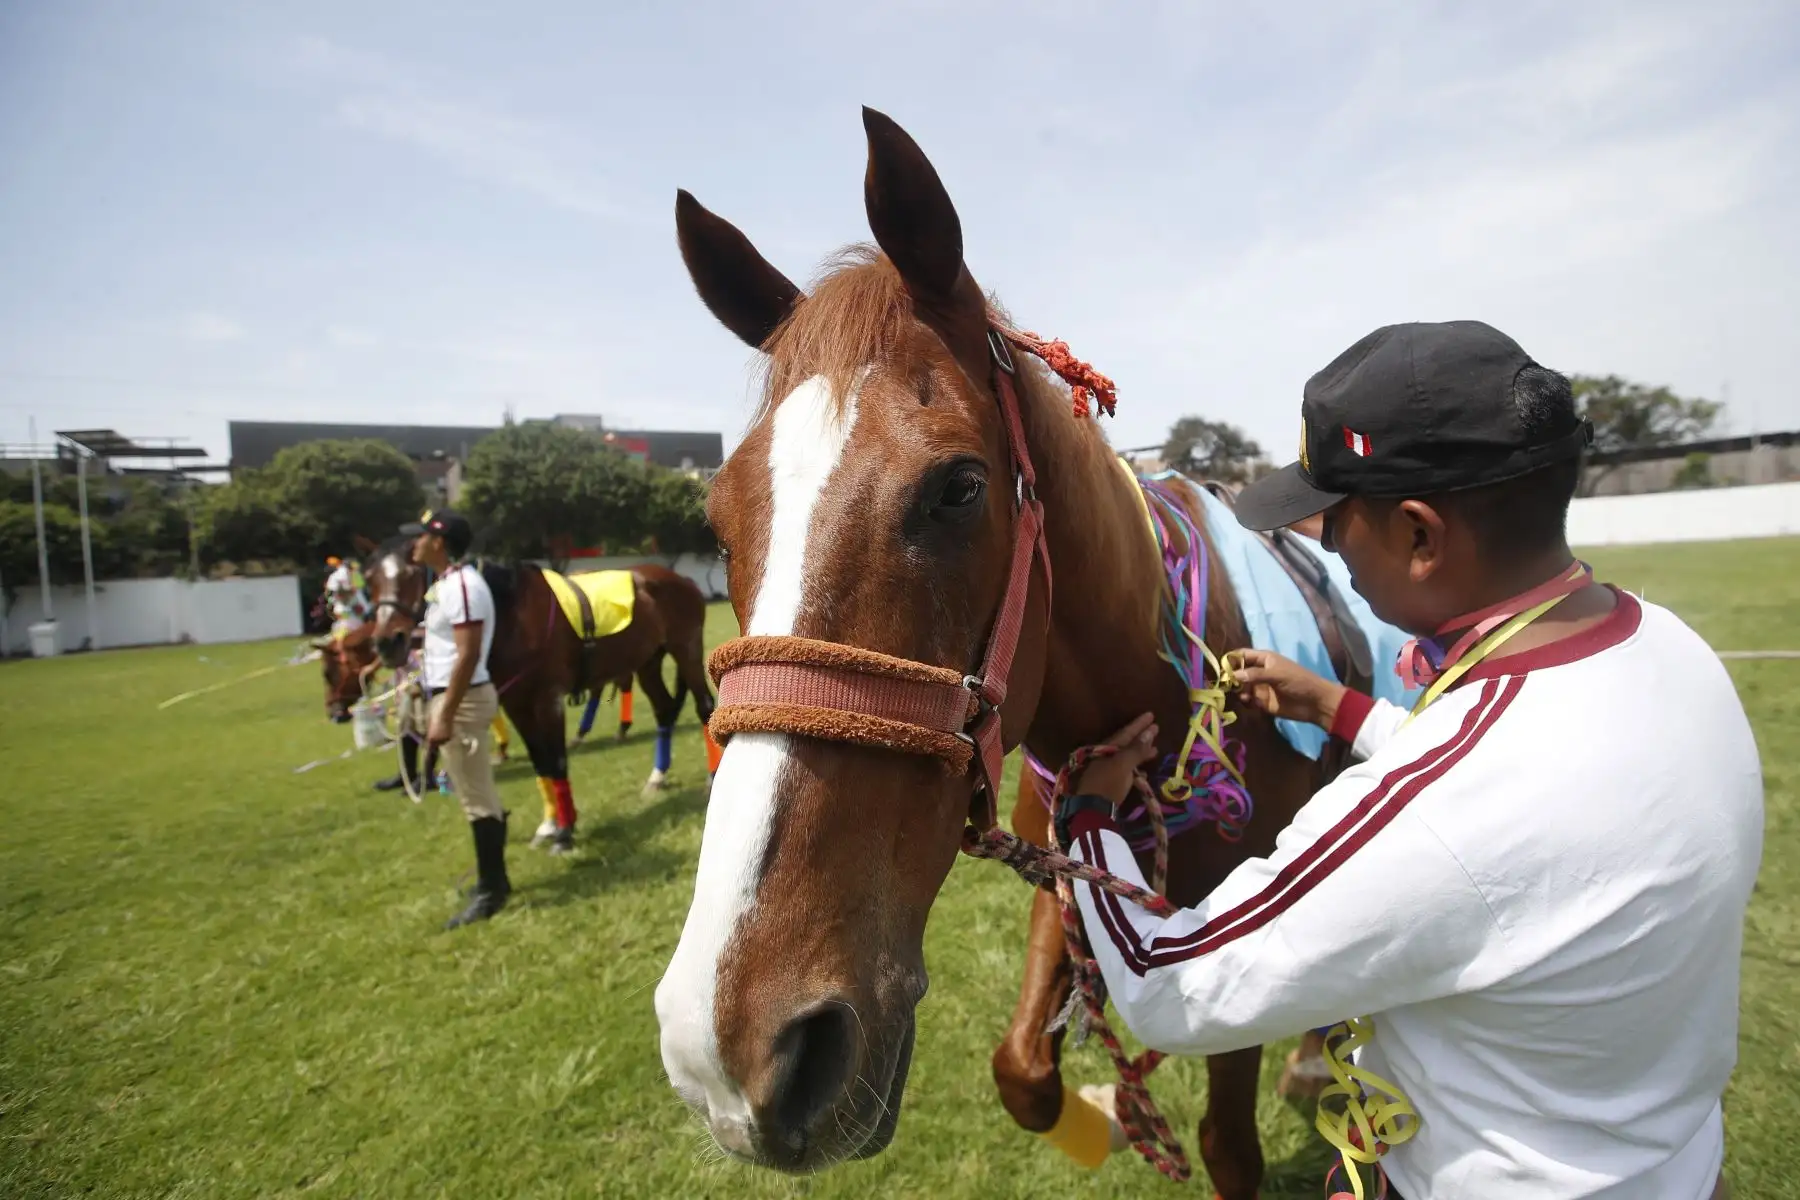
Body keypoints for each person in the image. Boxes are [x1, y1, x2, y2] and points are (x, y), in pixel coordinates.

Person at [1054, 321, 1761, 1199]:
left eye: (1336, 526)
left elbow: (1175, 987)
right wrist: (1339, 707)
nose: (1328, 553)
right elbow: (1508, 792)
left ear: (1421, 537)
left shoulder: (1448, 804)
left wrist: (1088, 815)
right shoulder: (1668, 650)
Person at [405, 509, 511, 929]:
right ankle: (493, 879)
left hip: (462, 699)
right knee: (475, 793)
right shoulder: (448, 584)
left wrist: (444, 713)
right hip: (455, 695)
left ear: (438, 540)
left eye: (420, 537)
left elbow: (467, 653)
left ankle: (492, 888)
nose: (414, 544)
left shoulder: (462, 586)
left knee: (476, 797)